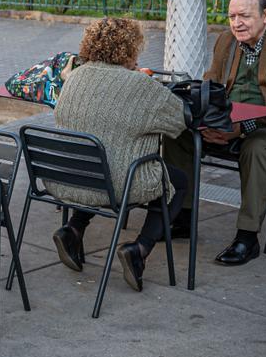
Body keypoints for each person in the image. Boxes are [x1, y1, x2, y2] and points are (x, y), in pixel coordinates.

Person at [163, 0, 266, 266]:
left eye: (244, 16)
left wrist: (242, 127)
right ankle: (183, 217)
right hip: (231, 121)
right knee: (178, 134)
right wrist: (207, 122)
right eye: (231, 16)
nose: (236, 23)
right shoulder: (227, 40)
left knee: (258, 146)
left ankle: (247, 237)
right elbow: (211, 88)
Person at [49, 18, 188, 290]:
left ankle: (73, 228)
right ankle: (139, 248)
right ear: (131, 49)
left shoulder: (74, 77)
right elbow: (178, 122)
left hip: (66, 179)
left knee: (98, 162)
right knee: (178, 180)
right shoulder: (140, 86)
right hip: (114, 186)